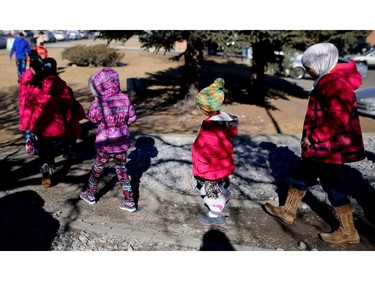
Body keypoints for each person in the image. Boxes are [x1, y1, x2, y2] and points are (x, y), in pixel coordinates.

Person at [263, 43, 366, 244]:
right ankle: (287, 211)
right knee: (301, 175)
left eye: (308, 67)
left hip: (328, 148)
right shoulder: (326, 80)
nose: (306, 71)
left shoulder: (334, 83)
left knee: (332, 185)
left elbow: (338, 119)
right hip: (321, 148)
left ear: (321, 63)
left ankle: (348, 230)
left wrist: (313, 138)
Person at [80, 68, 137, 212]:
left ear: (99, 87)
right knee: (122, 170)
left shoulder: (101, 102)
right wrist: (121, 125)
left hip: (105, 144)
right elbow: (132, 118)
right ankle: (130, 201)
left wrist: (94, 103)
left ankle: (90, 194)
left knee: (98, 168)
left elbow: (93, 118)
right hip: (122, 142)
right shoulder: (124, 98)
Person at [192, 78, 238, 226]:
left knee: (210, 189)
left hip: (211, 167)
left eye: (200, 107)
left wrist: (199, 167)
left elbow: (206, 151)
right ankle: (224, 193)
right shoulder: (224, 119)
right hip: (221, 163)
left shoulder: (211, 127)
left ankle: (215, 213)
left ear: (205, 108)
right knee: (219, 181)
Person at [21, 57, 73, 187]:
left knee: (43, 147)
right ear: (55, 69)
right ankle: (50, 165)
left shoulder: (35, 84)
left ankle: (45, 168)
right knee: (51, 148)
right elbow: (68, 104)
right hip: (56, 124)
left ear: (43, 68)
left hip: (40, 124)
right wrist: (67, 120)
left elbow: (28, 107)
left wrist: (25, 125)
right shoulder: (61, 85)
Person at [18, 58, 44, 155]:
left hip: (24, 105)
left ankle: (28, 140)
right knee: (34, 125)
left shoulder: (24, 77)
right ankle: (34, 144)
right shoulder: (34, 79)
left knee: (27, 125)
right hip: (31, 105)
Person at [62, 87, 85, 160]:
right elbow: (82, 115)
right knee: (73, 142)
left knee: (65, 142)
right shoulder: (76, 104)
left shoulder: (60, 105)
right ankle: (73, 153)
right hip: (74, 128)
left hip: (64, 129)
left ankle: (66, 153)